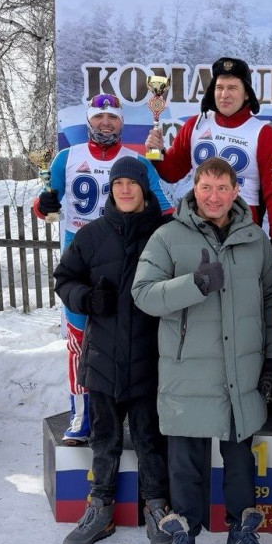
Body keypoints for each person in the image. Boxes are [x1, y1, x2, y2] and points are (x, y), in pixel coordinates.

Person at [132, 156, 272, 544]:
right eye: (206, 188)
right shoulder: (167, 236)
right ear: (194, 190)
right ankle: (185, 534)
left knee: (240, 460)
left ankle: (241, 533)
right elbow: (143, 294)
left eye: (222, 188)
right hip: (188, 371)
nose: (214, 197)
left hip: (241, 370)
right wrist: (194, 284)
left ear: (236, 192)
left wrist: (271, 359)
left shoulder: (255, 239)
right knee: (185, 462)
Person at [34, 94, 171, 444]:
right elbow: (46, 203)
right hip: (82, 262)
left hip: (125, 261)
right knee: (80, 341)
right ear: (88, 121)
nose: (105, 123)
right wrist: (42, 203)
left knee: (132, 340)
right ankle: (82, 415)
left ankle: (133, 416)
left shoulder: (136, 160)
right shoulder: (67, 157)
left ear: (122, 123)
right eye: (99, 117)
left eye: (112, 118)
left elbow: (162, 205)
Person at [54, 157, 171, 544]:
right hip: (103, 357)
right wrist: (86, 298)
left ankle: (156, 506)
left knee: (150, 438)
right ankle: (100, 509)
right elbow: (64, 278)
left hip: (150, 358)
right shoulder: (91, 235)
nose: (124, 189)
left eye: (132, 183)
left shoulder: (164, 234)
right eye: (118, 183)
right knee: (104, 439)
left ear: (144, 189)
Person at [145, 56, 272, 261]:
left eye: (232, 88)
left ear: (246, 93)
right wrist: (157, 153)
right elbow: (172, 172)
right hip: (199, 222)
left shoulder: (263, 133)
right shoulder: (195, 125)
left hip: (242, 228)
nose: (224, 94)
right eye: (219, 87)